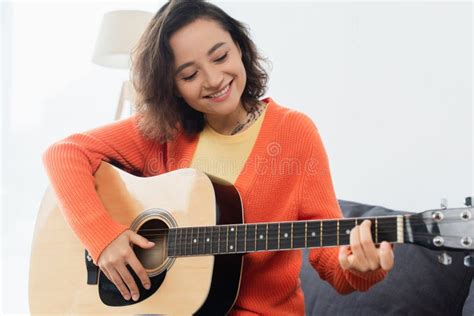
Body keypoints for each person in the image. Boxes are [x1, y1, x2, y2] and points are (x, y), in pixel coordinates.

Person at [43, 0, 394, 314]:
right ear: (172, 86)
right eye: (190, 74)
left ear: (241, 48)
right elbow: (63, 153)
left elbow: (330, 259)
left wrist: (360, 267)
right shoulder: (165, 131)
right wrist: (102, 238)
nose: (213, 80)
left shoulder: (295, 133)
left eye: (221, 56)